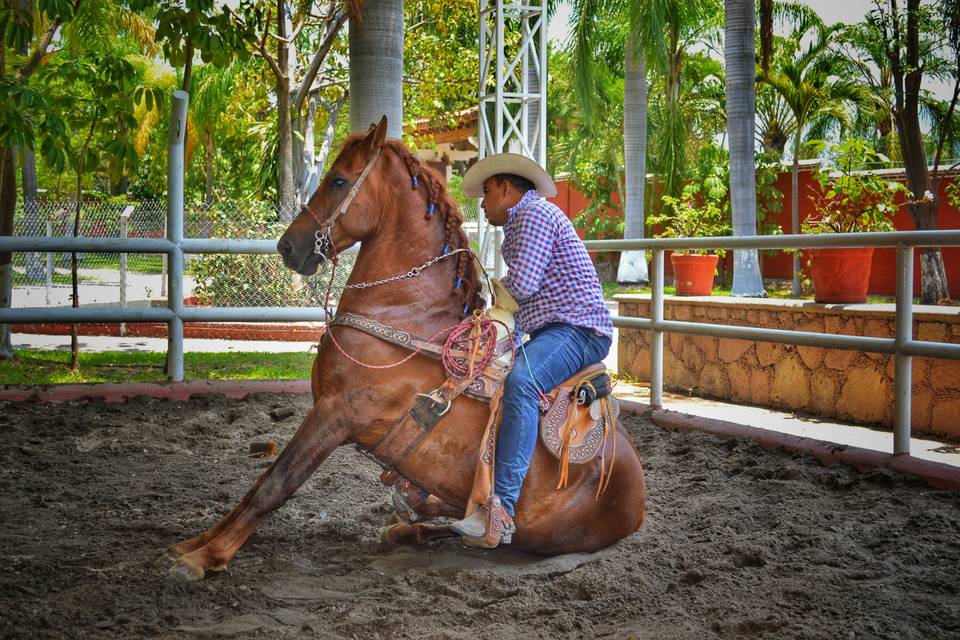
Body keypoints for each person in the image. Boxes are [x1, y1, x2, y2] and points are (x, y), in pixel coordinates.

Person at [450, 153, 614, 548]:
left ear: (507, 189)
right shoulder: (527, 219)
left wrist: (494, 309)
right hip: (554, 328)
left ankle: (502, 509)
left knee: (522, 381)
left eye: (488, 193)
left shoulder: (533, 215)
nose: (484, 203)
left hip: (578, 329)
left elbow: (522, 286)